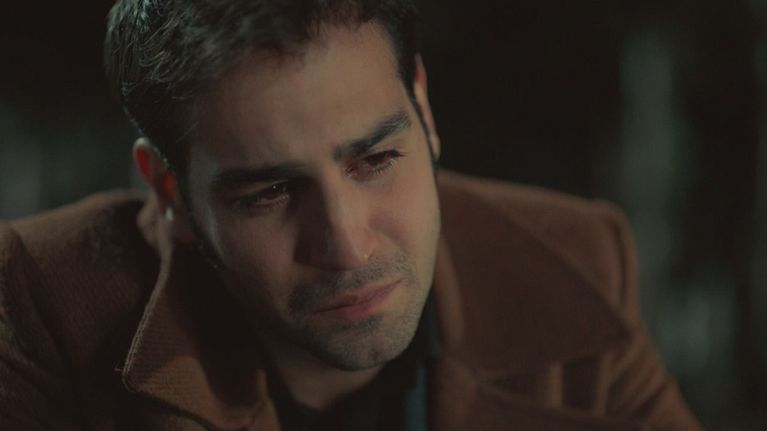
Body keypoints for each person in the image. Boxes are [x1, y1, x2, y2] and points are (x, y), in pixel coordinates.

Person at [0, 0, 702, 430]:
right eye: (269, 193)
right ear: (171, 192)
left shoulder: (576, 259)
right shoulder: (39, 302)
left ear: (423, 109)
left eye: (376, 159)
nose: (347, 245)